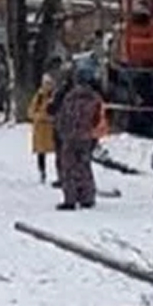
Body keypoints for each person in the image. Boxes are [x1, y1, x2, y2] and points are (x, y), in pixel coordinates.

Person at [54, 62, 106, 210]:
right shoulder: (95, 98)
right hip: (86, 136)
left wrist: (61, 131)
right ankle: (87, 197)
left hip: (70, 137)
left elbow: (63, 116)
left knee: (68, 168)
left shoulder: (70, 97)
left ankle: (70, 198)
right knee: (84, 166)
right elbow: (98, 118)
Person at [28, 74, 58, 183]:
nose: (48, 86)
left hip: (52, 129)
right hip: (41, 129)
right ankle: (42, 172)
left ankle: (59, 175)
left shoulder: (56, 96)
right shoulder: (39, 96)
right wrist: (43, 117)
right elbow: (31, 112)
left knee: (58, 153)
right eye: (46, 83)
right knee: (41, 153)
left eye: (50, 83)